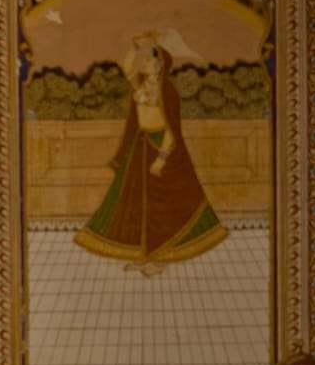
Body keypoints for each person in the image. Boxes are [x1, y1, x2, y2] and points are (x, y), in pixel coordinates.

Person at [75, 33, 226, 272]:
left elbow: (172, 130)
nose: (143, 62)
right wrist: (138, 47)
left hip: (162, 150)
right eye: (144, 59)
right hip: (140, 147)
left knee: (162, 209)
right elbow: (128, 67)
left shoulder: (168, 91)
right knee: (139, 205)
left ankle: (159, 260)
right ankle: (144, 256)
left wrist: (161, 160)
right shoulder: (141, 85)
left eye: (149, 59)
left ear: (159, 65)